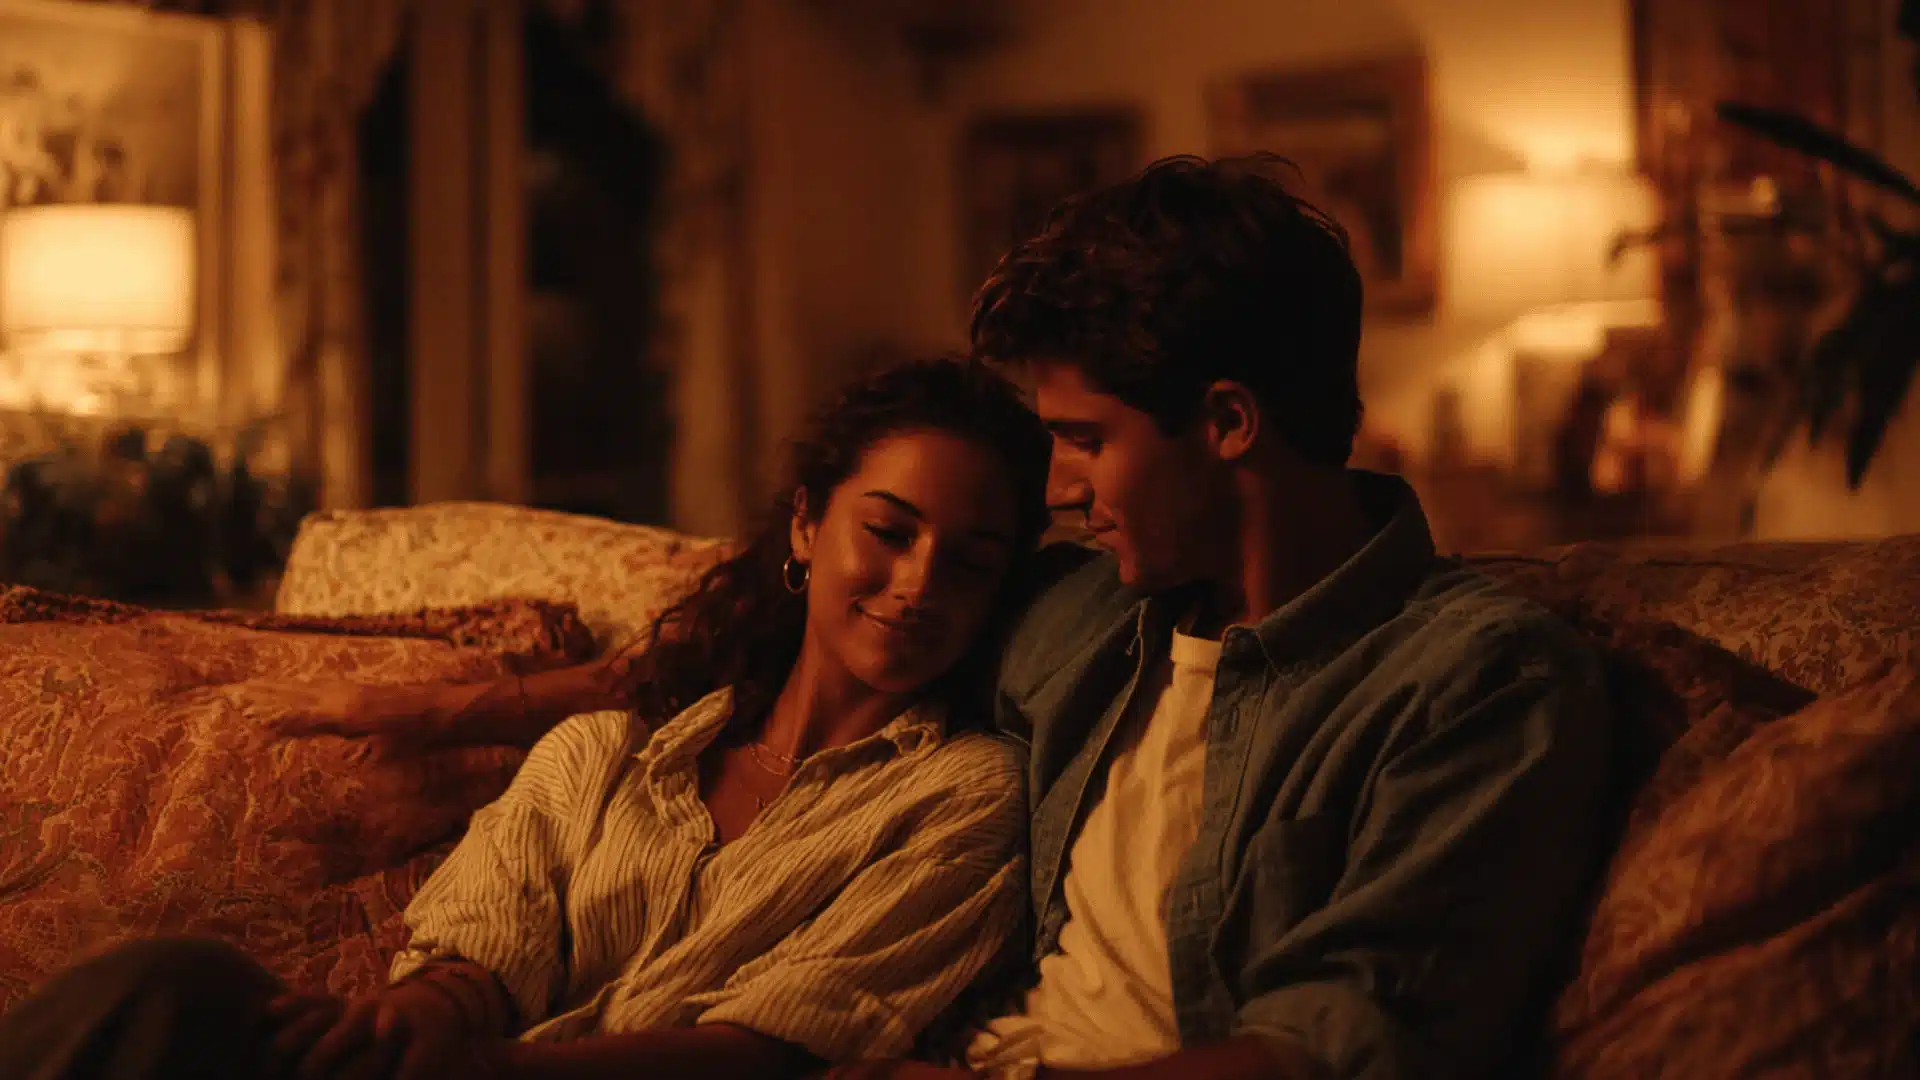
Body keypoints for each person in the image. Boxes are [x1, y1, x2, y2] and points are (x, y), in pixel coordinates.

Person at [254, 154, 1615, 1080]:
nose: (1061, 490)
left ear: (1228, 422)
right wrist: (466, 706)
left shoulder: (1479, 683)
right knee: (176, 1000)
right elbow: (768, 625)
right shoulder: (1087, 611)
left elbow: (1344, 1041)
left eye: (1083, 440)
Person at [0, 357, 1053, 1080]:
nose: (919, 584)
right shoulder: (604, 754)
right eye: (889, 530)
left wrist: (490, 1071)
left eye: (968, 561)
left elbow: (773, 1048)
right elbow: (481, 953)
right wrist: (410, 1025)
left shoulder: (963, 796)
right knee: (185, 990)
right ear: (807, 524)